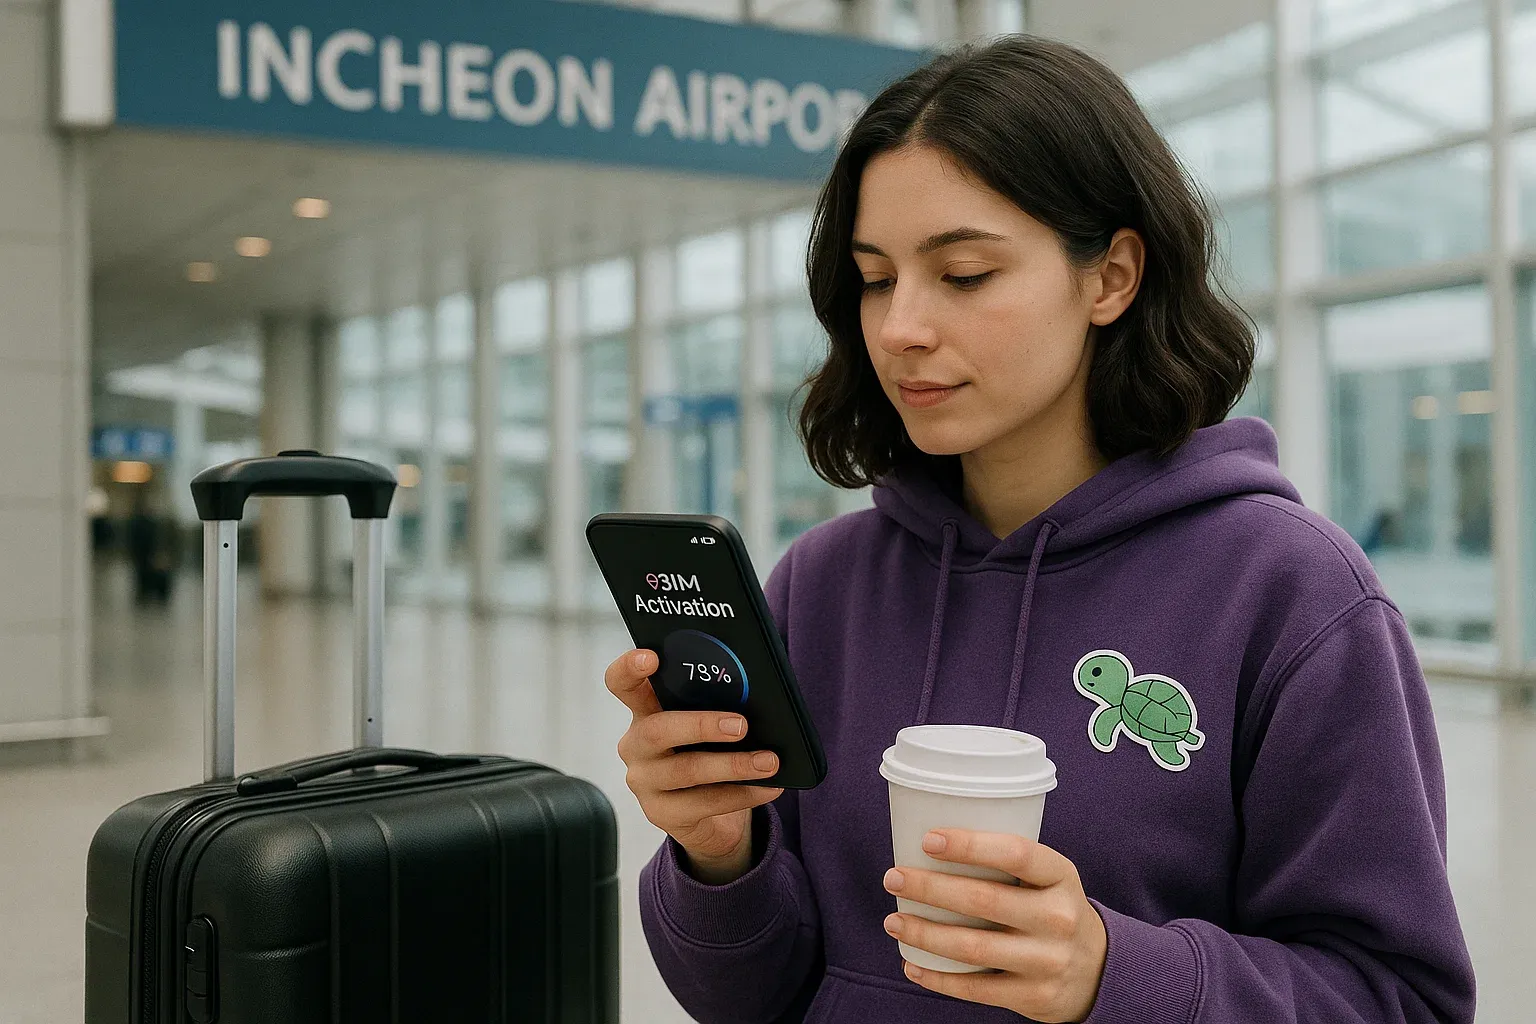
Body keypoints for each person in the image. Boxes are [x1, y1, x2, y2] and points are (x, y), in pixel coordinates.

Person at [603, 36, 1475, 1024]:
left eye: (964, 274)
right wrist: (719, 853)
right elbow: (749, 996)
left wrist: (1116, 972)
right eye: (877, 277)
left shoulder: (1290, 593)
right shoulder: (823, 587)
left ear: (1112, 277)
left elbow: (1401, 1000)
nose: (898, 328)